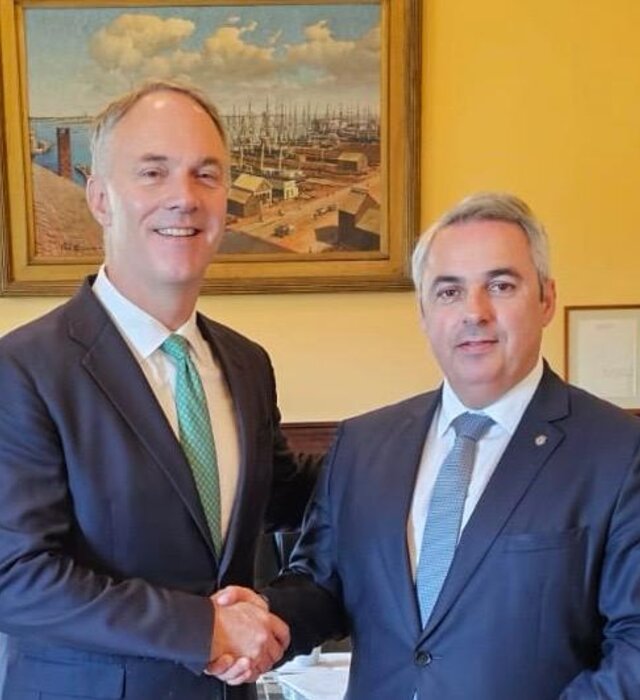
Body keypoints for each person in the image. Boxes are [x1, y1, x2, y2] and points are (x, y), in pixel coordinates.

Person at [220, 192, 640, 698]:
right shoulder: (363, 445)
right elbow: (324, 584)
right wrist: (264, 617)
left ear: (546, 299)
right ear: (423, 312)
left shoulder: (619, 452)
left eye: (501, 286)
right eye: (449, 291)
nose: (474, 312)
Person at [0, 81, 322, 700]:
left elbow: (280, 496)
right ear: (100, 197)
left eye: (207, 175)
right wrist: (203, 628)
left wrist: (411, 448)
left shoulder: (247, 365)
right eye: (153, 172)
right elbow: (15, 578)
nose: (184, 198)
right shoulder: (23, 369)